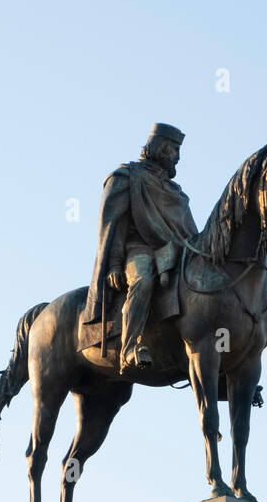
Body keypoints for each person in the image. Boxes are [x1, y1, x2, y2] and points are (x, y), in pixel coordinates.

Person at [82, 123, 197, 372]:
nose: (178, 157)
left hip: (175, 253)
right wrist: (113, 264)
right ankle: (129, 347)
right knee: (143, 279)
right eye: (174, 150)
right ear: (160, 149)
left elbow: (189, 232)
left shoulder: (175, 191)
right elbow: (111, 226)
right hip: (137, 250)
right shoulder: (126, 177)